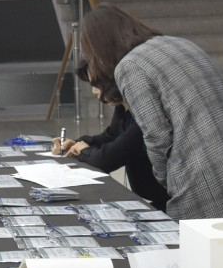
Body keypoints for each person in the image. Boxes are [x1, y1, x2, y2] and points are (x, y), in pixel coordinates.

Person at [76, 4, 223, 218]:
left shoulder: (130, 67)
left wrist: (168, 183)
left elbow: (156, 138)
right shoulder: (181, 44)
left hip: (206, 187)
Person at [57, 68, 169, 209]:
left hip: (168, 201)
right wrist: (77, 143)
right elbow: (111, 136)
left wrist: (84, 150)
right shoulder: (123, 108)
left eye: (96, 85)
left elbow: (108, 158)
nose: (94, 91)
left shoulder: (144, 116)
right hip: (154, 198)